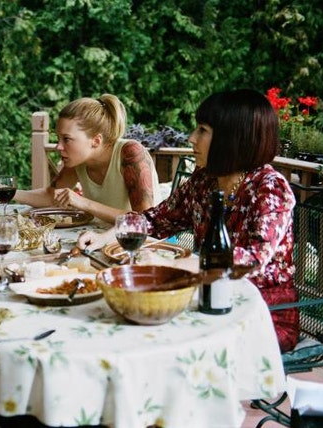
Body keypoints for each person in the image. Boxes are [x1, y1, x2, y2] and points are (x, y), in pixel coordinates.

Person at [78, 89, 299, 352]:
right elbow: (156, 219)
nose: (192, 137)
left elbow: (252, 259)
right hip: (204, 297)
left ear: (233, 138)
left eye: (202, 130)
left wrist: (175, 265)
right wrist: (106, 236)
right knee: (131, 324)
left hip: (260, 312)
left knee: (157, 338)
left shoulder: (270, 188)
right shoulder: (205, 179)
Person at [0, 94, 162, 223]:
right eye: (58, 138)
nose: (58, 147)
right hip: (99, 239)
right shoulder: (78, 161)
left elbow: (145, 220)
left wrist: (83, 203)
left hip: (141, 247)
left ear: (96, 141)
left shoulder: (130, 153)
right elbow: (50, 196)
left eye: (67, 139)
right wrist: (11, 193)